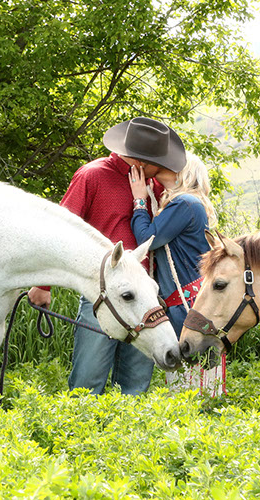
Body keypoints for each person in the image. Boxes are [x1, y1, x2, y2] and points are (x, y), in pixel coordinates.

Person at [28, 117, 186, 395]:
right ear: (141, 161)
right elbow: (59, 231)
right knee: (87, 383)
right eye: (159, 163)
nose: (164, 169)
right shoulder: (92, 176)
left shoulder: (155, 186)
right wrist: (42, 285)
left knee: (135, 386)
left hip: (145, 296)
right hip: (101, 295)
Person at [128, 153, 223, 395]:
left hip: (184, 306)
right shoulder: (190, 204)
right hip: (189, 302)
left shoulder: (185, 204)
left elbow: (147, 239)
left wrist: (139, 201)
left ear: (183, 172)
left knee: (188, 383)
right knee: (198, 382)